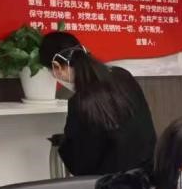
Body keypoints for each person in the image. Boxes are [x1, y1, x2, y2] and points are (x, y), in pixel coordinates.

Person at [39, 30, 156, 176]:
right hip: (148, 175)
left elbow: (80, 164)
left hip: (110, 185)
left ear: (56, 66)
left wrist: (64, 145)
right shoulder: (123, 75)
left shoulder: (80, 102)